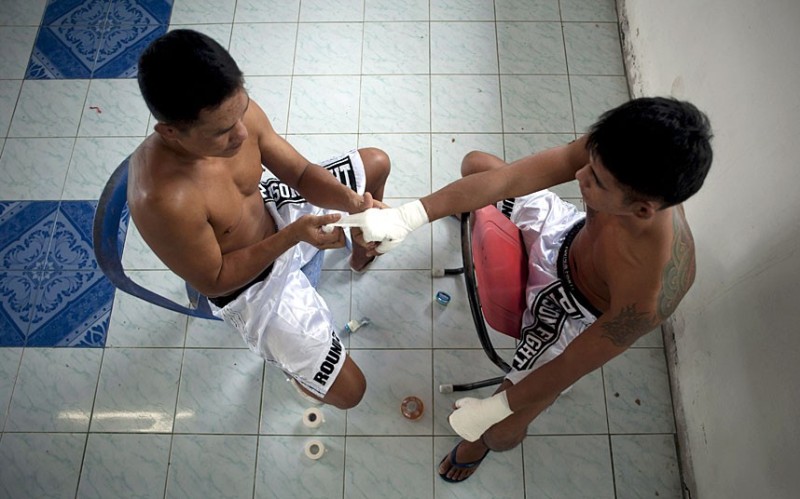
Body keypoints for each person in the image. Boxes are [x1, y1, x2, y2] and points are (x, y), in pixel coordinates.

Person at [337, 97, 713, 481]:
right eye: (588, 161)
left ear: (642, 210)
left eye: (596, 181)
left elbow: (572, 364)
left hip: (571, 309)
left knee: (500, 433)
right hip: (564, 234)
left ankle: (481, 445)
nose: (580, 175)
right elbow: (508, 179)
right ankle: (465, 212)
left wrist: (495, 409)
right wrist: (409, 216)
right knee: (477, 166)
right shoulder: (617, 149)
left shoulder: (651, 289)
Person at [129, 29, 390, 409]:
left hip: (273, 212)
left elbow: (300, 173)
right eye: (222, 132)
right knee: (351, 392)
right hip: (250, 283)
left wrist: (354, 205)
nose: (241, 133)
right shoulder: (162, 199)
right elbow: (214, 280)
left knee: (376, 162)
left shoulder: (236, 116)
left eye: (242, 110)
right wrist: (294, 236)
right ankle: (296, 372)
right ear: (171, 131)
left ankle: (361, 252)